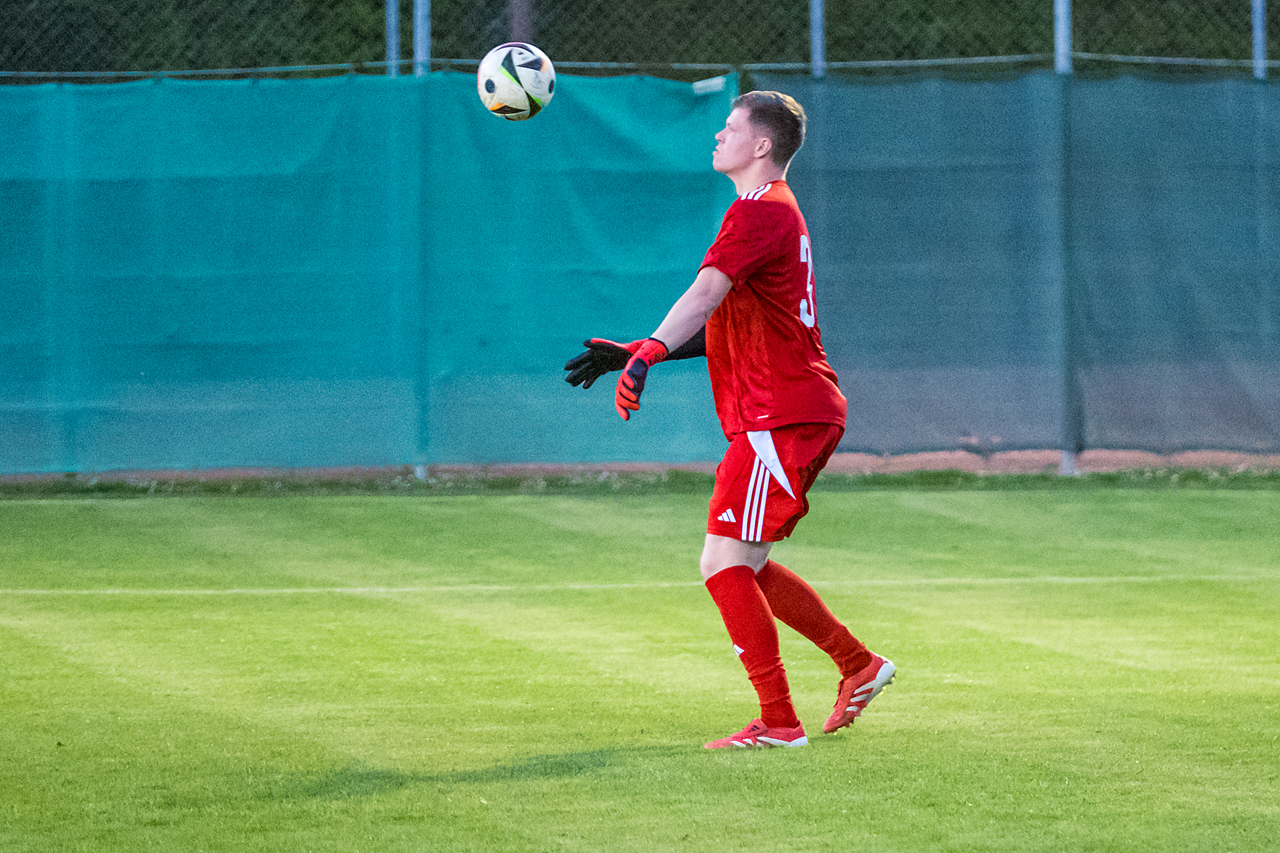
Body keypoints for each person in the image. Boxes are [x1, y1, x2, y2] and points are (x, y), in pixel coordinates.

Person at [564, 91, 894, 749]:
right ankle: (857, 664)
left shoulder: (760, 209)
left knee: (722, 561)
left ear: (762, 145)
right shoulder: (769, 210)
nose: (718, 136)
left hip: (782, 413)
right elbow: (726, 322)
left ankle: (780, 722)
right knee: (746, 562)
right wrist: (641, 350)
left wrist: (651, 351)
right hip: (784, 411)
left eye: (730, 127)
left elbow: (705, 292)